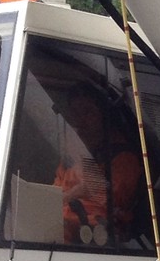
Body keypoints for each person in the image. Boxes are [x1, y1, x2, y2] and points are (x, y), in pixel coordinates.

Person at [53, 87, 144, 246]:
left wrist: (68, 196)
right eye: (75, 113)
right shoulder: (71, 158)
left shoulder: (124, 158)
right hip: (58, 241)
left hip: (98, 244)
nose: (80, 120)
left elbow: (105, 199)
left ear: (104, 116)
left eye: (87, 112)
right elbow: (52, 197)